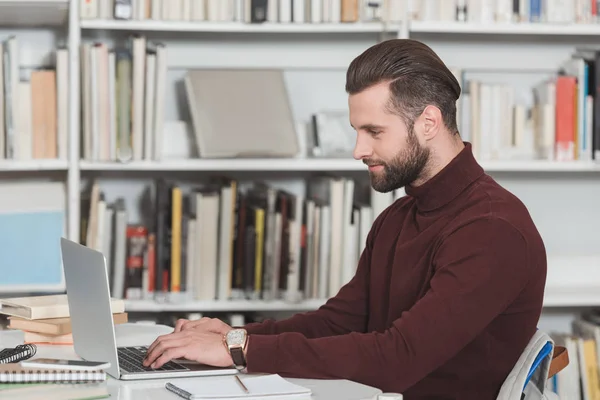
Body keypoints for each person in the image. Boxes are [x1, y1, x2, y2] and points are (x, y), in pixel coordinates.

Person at [143, 39, 547, 399]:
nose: (358, 150)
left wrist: (239, 351)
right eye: (357, 131)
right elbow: (340, 322)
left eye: (374, 131)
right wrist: (235, 336)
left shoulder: (493, 229)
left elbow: (399, 357)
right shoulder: (400, 217)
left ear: (428, 123)